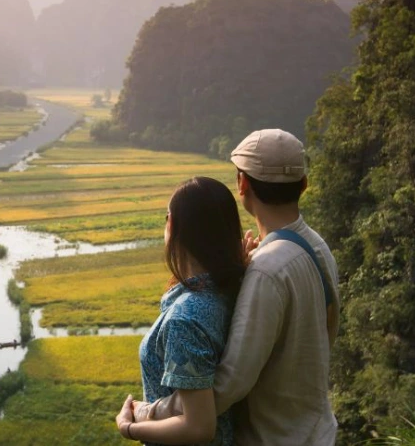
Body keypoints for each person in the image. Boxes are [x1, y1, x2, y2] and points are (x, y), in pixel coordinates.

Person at [123, 129, 340, 446]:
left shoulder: (267, 269)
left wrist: (145, 414)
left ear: (242, 184)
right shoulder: (316, 247)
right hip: (313, 430)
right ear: (304, 185)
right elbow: (328, 330)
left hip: (273, 437)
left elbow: (230, 383)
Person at [115, 176, 247, 445]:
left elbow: (198, 428)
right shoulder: (229, 288)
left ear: (173, 224)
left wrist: (130, 427)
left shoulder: (185, 318)